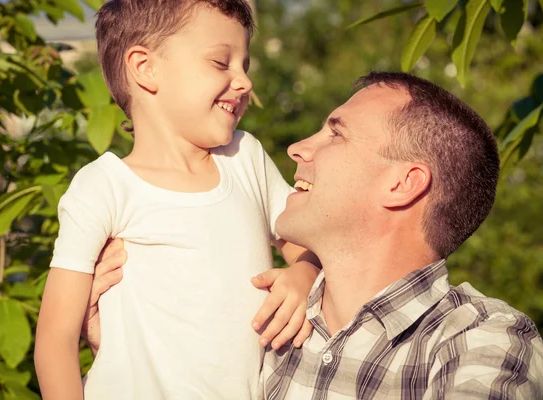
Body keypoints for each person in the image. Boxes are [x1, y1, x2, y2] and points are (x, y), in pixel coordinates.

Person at [88, 72, 543, 399]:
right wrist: (133, 344)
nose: (297, 148)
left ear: (403, 183)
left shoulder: (483, 342)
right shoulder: (263, 319)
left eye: (336, 134)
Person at [34, 1, 321, 399]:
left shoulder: (245, 157)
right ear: (145, 68)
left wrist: (306, 275)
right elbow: (55, 338)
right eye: (221, 63)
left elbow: (311, 247)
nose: (244, 82)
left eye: (245, 66)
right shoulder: (104, 186)